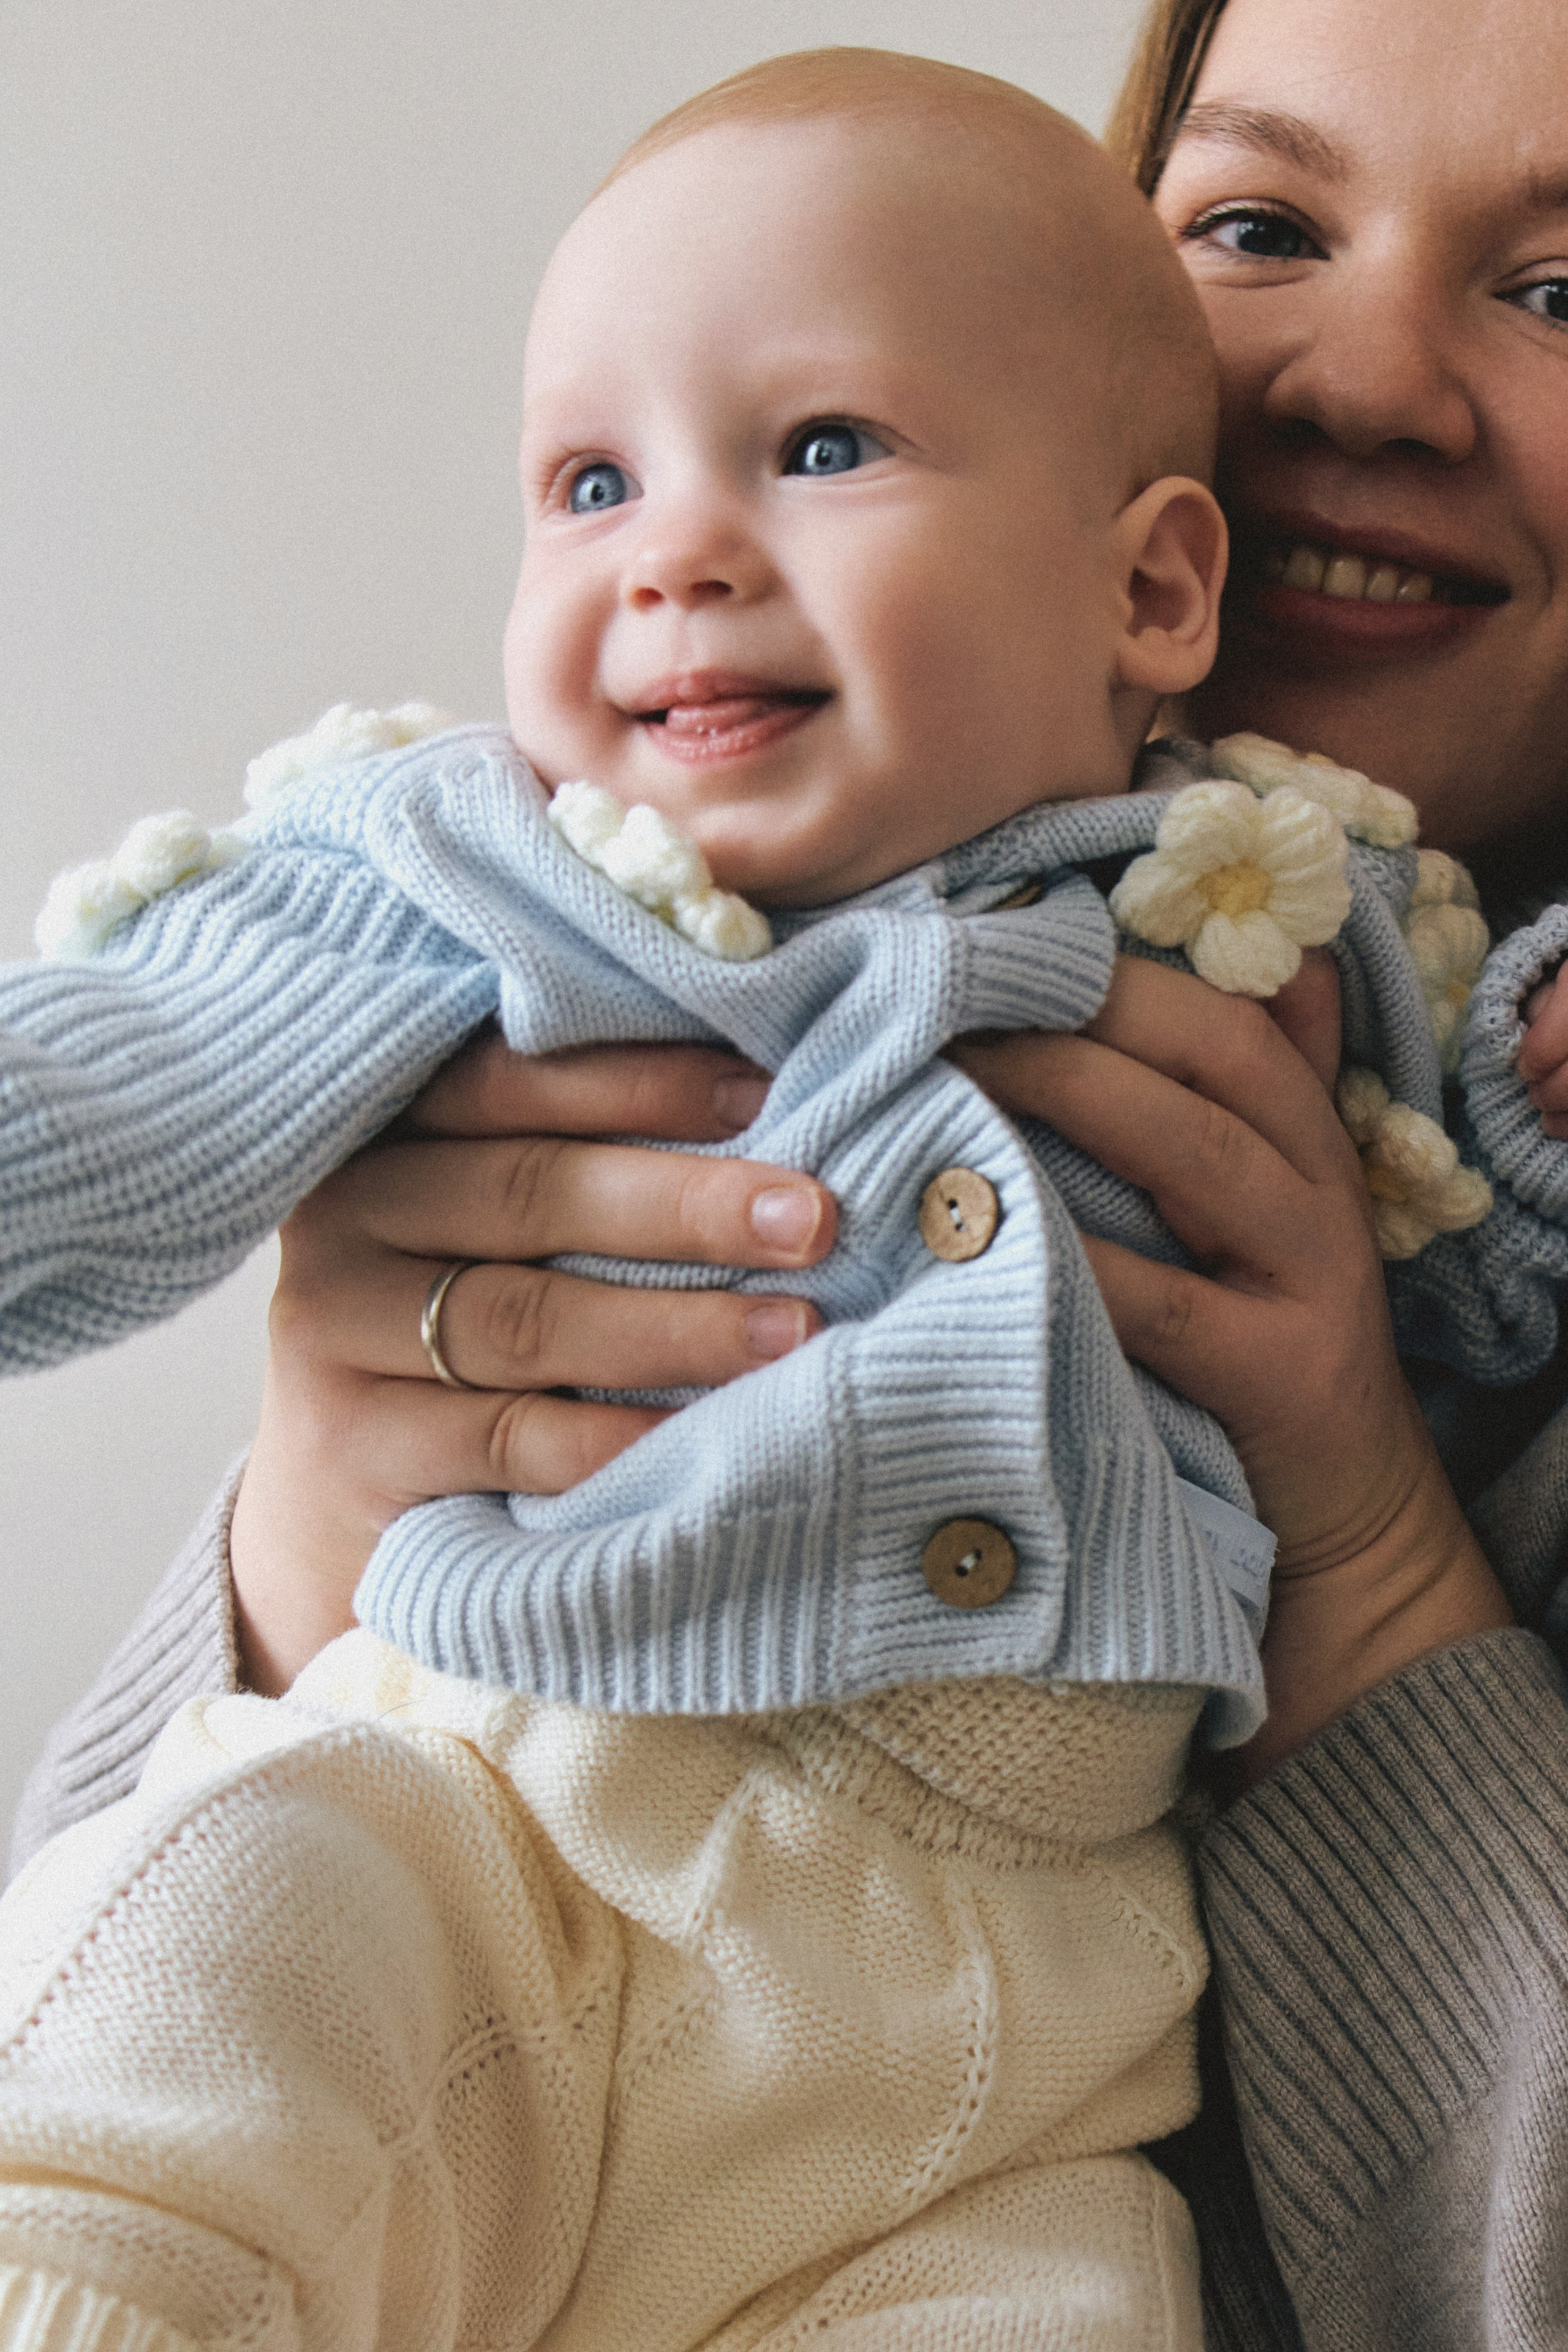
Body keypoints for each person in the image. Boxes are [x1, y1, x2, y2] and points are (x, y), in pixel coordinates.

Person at [12, 2, 1568, 2345]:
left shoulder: (1329, 944)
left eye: (1560, 289)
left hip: (1010, 2047)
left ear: (1150, 574)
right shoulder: (528, 878)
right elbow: (134, 1089)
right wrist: (311, 1549)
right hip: (504, 1841)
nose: (1360, 382)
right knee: (213, 2022)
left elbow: (1495, 1231)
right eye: (1255, 221)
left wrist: (1363, 1550)